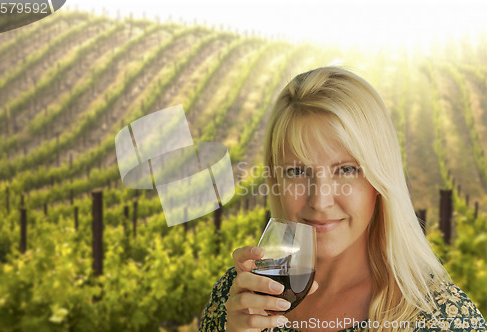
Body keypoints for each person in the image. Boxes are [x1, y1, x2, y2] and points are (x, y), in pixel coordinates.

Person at [199, 67, 486, 331]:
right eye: (297, 171)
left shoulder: (443, 318)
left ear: (379, 180)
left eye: (346, 170)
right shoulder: (238, 298)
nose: (320, 201)